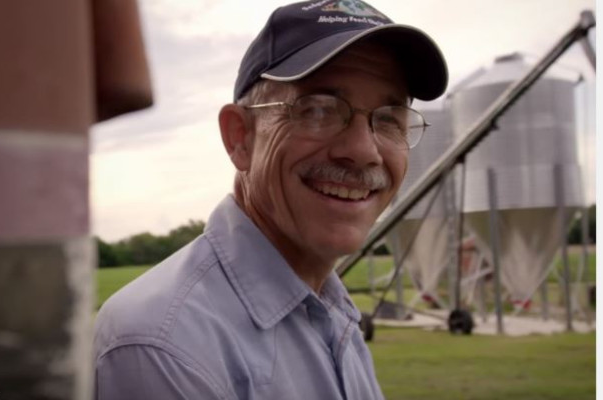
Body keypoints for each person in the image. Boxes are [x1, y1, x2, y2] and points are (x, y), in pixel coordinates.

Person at [93, 1, 448, 399]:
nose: (364, 151)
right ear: (240, 137)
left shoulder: (328, 306)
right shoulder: (165, 344)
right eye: (318, 110)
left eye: (388, 119)